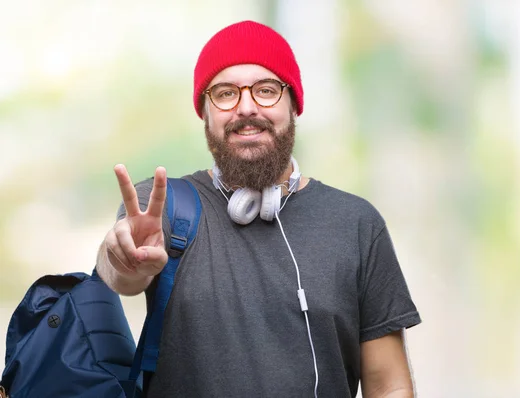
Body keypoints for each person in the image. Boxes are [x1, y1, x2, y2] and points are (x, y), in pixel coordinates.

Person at [96, 20, 422, 398]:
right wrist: (121, 258)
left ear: (293, 104)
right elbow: (120, 275)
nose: (246, 108)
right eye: (225, 93)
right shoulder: (163, 205)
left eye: (266, 90)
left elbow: (389, 384)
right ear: (205, 112)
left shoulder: (357, 224)